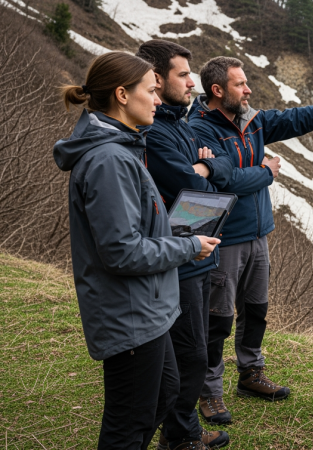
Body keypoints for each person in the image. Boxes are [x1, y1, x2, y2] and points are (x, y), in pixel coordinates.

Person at [188, 56, 313, 423]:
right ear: (217, 91)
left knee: (256, 310)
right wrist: (265, 172)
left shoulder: (252, 120)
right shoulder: (200, 129)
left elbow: (297, 118)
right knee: (216, 319)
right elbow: (222, 182)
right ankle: (209, 391)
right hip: (223, 240)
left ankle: (250, 374)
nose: (248, 90)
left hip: (258, 234)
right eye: (240, 84)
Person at [54, 52, 220, 450]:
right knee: (128, 423)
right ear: (122, 95)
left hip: (147, 308)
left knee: (162, 395)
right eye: (151, 90)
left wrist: (180, 236)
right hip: (129, 314)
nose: (159, 100)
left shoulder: (123, 147)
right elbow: (122, 252)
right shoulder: (109, 159)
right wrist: (188, 245)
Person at [136, 40, 231, 450]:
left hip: (196, 248)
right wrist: (208, 171)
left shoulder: (180, 123)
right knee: (189, 353)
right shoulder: (157, 132)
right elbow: (197, 187)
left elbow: (217, 170)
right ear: (156, 78)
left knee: (194, 348)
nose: (192, 83)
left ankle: (182, 430)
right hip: (179, 255)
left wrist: (209, 165)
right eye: (182, 75)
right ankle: (180, 436)